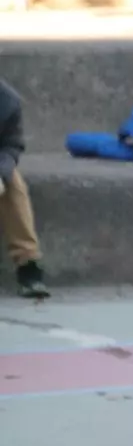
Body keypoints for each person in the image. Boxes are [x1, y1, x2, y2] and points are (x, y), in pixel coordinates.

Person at [0, 78, 51, 299]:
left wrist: (0, 173)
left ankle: (28, 265)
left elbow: (12, 145)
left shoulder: (7, 100)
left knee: (13, 184)